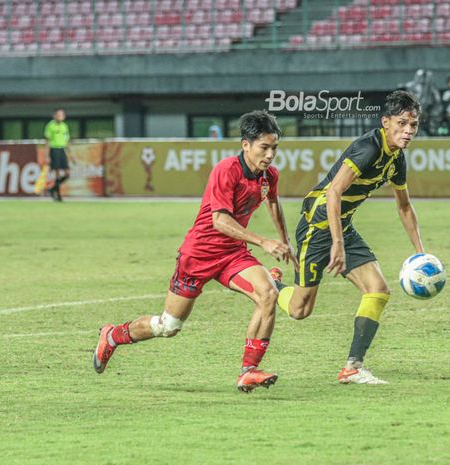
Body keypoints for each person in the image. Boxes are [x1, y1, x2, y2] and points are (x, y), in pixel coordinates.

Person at [92, 111, 297, 393]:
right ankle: (112, 336)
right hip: (198, 256)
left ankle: (248, 370)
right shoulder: (227, 170)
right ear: (245, 144)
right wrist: (264, 242)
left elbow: (274, 203)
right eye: (264, 147)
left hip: (233, 254)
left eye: (274, 148)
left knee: (268, 295)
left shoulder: (268, 175)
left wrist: (285, 242)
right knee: (168, 326)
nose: (271, 155)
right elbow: (220, 220)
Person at [272, 90, 425, 385]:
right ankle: (273, 284)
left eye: (414, 125)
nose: (408, 131)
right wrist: (337, 244)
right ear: (385, 122)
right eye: (402, 123)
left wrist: (420, 253)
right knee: (299, 310)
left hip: (341, 224)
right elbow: (333, 192)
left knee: (378, 290)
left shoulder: (396, 160)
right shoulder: (368, 148)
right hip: (317, 226)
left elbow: (404, 206)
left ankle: (352, 366)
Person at [44, 108, 73, 201]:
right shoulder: (51, 126)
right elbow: (48, 141)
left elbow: (67, 140)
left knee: (67, 173)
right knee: (57, 173)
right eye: (59, 115)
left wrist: (70, 153)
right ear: (55, 116)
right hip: (54, 149)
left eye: (62, 115)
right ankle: (58, 195)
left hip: (62, 150)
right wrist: (47, 155)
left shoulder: (64, 126)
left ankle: (52, 189)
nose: (61, 117)